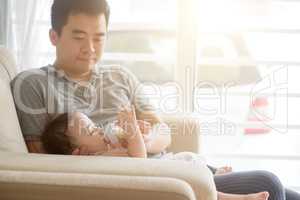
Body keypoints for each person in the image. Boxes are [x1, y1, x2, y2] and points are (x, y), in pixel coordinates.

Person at [10, 0, 300, 200]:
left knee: (289, 194)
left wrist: (143, 142)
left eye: (99, 38)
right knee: (269, 184)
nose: (90, 48)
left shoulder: (119, 77)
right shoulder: (33, 84)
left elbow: (164, 133)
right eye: (79, 37)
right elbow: (39, 158)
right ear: (53, 36)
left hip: (169, 166)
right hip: (151, 184)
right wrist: (117, 157)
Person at [41, 110, 269, 200]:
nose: (100, 130)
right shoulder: (101, 160)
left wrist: (139, 131)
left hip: (170, 164)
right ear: (78, 153)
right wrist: (131, 132)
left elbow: (140, 146)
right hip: (170, 176)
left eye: (95, 125)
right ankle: (240, 199)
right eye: (91, 131)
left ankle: (214, 171)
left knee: (191, 162)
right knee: (205, 190)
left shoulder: (107, 147)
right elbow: (138, 159)